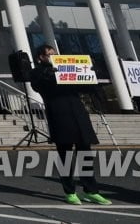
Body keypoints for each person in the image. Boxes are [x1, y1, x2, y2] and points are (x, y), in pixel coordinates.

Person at [30, 44, 112, 206]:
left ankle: (91, 191)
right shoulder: (38, 73)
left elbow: (87, 85)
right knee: (65, 155)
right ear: (41, 57)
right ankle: (70, 192)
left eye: (55, 54)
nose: (53, 57)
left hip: (78, 113)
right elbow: (39, 83)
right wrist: (54, 72)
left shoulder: (69, 69)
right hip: (59, 114)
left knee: (85, 154)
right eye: (49, 55)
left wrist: (88, 70)